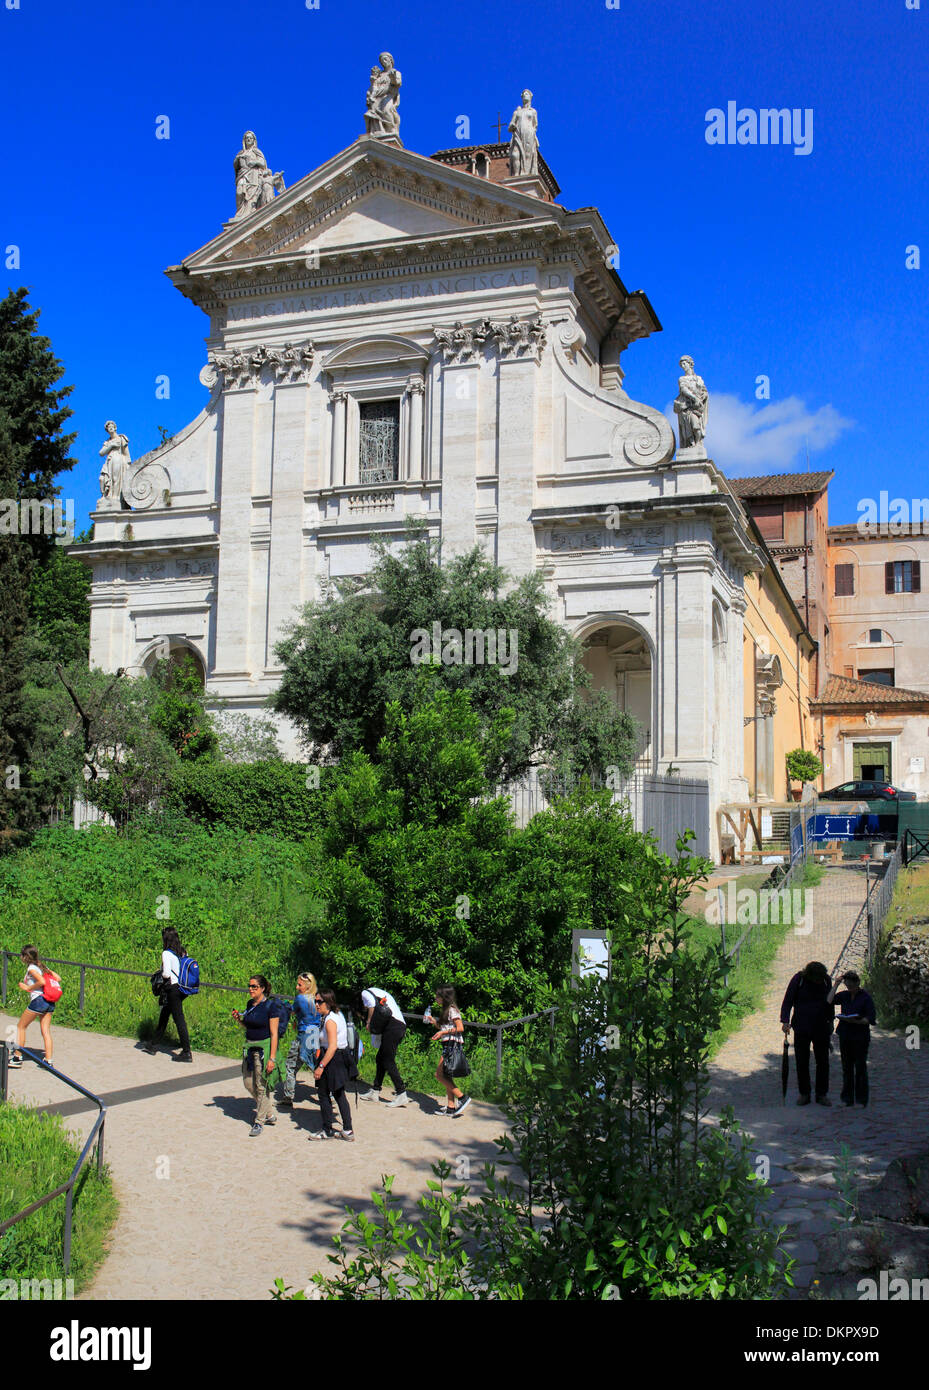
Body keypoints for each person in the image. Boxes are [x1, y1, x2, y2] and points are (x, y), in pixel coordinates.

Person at [780, 961, 835, 1106]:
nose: (818, 981)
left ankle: (821, 1094)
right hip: (802, 1027)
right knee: (802, 1061)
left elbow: (830, 1003)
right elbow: (788, 1001)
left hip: (821, 1027)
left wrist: (831, 1022)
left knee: (823, 1062)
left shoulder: (826, 980)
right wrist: (785, 1021)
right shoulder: (799, 980)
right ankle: (804, 1094)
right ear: (810, 976)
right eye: (816, 979)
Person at [232, 975, 281, 1137]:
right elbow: (249, 1025)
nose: (251, 989)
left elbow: (274, 1034)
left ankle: (259, 1122)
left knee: (261, 1086)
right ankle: (267, 1112)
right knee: (248, 1083)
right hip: (249, 1046)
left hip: (263, 1049)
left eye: (254, 986)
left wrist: (272, 1058)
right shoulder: (250, 1004)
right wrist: (239, 1020)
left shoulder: (271, 1007)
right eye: (250, 986)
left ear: (262, 988)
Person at [308, 990, 355, 1141]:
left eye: (319, 1002)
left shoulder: (330, 1021)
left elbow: (333, 1046)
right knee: (338, 1094)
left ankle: (328, 1129)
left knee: (325, 1094)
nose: (316, 1005)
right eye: (315, 1001)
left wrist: (321, 1066)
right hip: (335, 1057)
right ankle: (347, 1129)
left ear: (328, 1003)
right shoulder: (335, 1014)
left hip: (333, 1059)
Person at [143, 927, 193, 1062]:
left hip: (173, 989)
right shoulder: (182, 951)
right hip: (182, 988)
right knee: (165, 1014)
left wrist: (159, 975)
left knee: (179, 1019)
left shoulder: (166, 953)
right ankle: (153, 1045)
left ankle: (187, 1052)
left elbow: (166, 973)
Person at [828, 970, 876, 1107]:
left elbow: (870, 1018)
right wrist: (836, 984)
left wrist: (858, 1021)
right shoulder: (844, 995)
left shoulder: (865, 998)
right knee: (846, 1068)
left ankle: (861, 1099)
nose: (850, 988)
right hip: (845, 1035)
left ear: (857, 984)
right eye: (847, 986)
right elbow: (829, 1000)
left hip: (860, 1036)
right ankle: (847, 1098)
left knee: (860, 1067)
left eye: (852, 986)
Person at [358, 985, 409, 1107]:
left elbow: (371, 1004)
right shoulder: (377, 992)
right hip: (396, 1026)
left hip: (394, 1026)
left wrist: (369, 1022)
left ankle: (401, 1093)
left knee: (387, 1060)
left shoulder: (365, 993)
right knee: (380, 1058)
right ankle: (375, 1090)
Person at [278, 971, 321, 1110]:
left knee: (291, 1065)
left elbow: (292, 1011)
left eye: (299, 984)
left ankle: (288, 1096)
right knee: (317, 1065)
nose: (297, 987)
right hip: (316, 1035)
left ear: (308, 986)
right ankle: (329, 1095)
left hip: (303, 1035)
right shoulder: (318, 999)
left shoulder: (300, 999)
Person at [427, 985, 471, 1117]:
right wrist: (434, 1022)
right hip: (447, 1043)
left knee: (439, 1075)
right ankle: (451, 1107)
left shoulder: (452, 1010)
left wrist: (443, 1032)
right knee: (446, 1075)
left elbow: (460, 1027)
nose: (436, 999)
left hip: (452, 1045)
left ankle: (462, 1097)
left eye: (437, 996)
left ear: (444, 997)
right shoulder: (446, 1010)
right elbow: (444, 1027)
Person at [9, 946, 57, 1068]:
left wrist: (28, 988)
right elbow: (58, 978)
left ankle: (17, 1057)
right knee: (45, 1030)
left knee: (21, 1027)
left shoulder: (31, 968)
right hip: (49, 1001)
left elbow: (42, 982)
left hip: (38, 1000)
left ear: (25, 956)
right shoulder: (42, 966)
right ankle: (48, 1060)